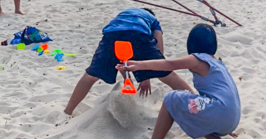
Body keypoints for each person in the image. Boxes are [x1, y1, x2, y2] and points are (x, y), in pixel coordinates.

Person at [119, 24, 241, 139]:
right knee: (192, 104)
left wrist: (139, 65)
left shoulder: (197, 58)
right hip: (231, 119)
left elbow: (170, 64)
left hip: (219, 115)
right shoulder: (217, 62)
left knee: (172, 98)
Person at [64, 7, 193, 116]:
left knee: (91, 75)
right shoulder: (153, 20)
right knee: (167, 75)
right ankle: (196, 100)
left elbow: (122, 57)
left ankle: (68, 111)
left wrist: (142, 77)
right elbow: (159, 49)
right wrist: (149, 74)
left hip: (111, 35)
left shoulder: (124, 14)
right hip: (138, 34)